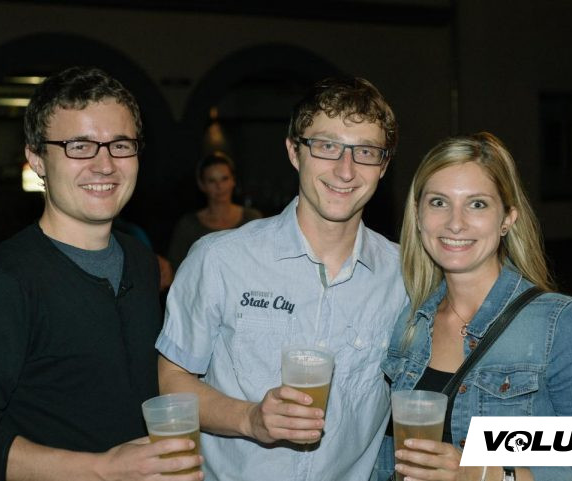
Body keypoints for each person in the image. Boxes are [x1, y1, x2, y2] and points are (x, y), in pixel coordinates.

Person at [0, 66, 202, 481]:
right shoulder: (4, 284)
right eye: (79, 146)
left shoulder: (141, 261)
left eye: (120, 145)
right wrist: (101, 469)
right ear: (37, 159)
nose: (105, 165)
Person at [157, 76, 408, 481]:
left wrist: (493, 467)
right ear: (294, 151)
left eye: (365, 151)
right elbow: (172, 379)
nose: (345, 170)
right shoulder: (219, 259)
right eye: (326, 146)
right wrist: (249, 419)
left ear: (384, 165)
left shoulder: (404, 278)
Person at [375, 132, 572, 481]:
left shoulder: (557, 325)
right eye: (438, 202)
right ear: (418, 216)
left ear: (508, 218)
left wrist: (483, 474)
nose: (455, 223)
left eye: (477, 204)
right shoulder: (408, 323)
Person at [167, 151, 262, 271]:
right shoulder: (188, 226)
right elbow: (176, 269)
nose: (219, 186)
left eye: (224, 179)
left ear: (233, 180)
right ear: (202, 185)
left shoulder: (252, 218)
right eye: (212, 181)